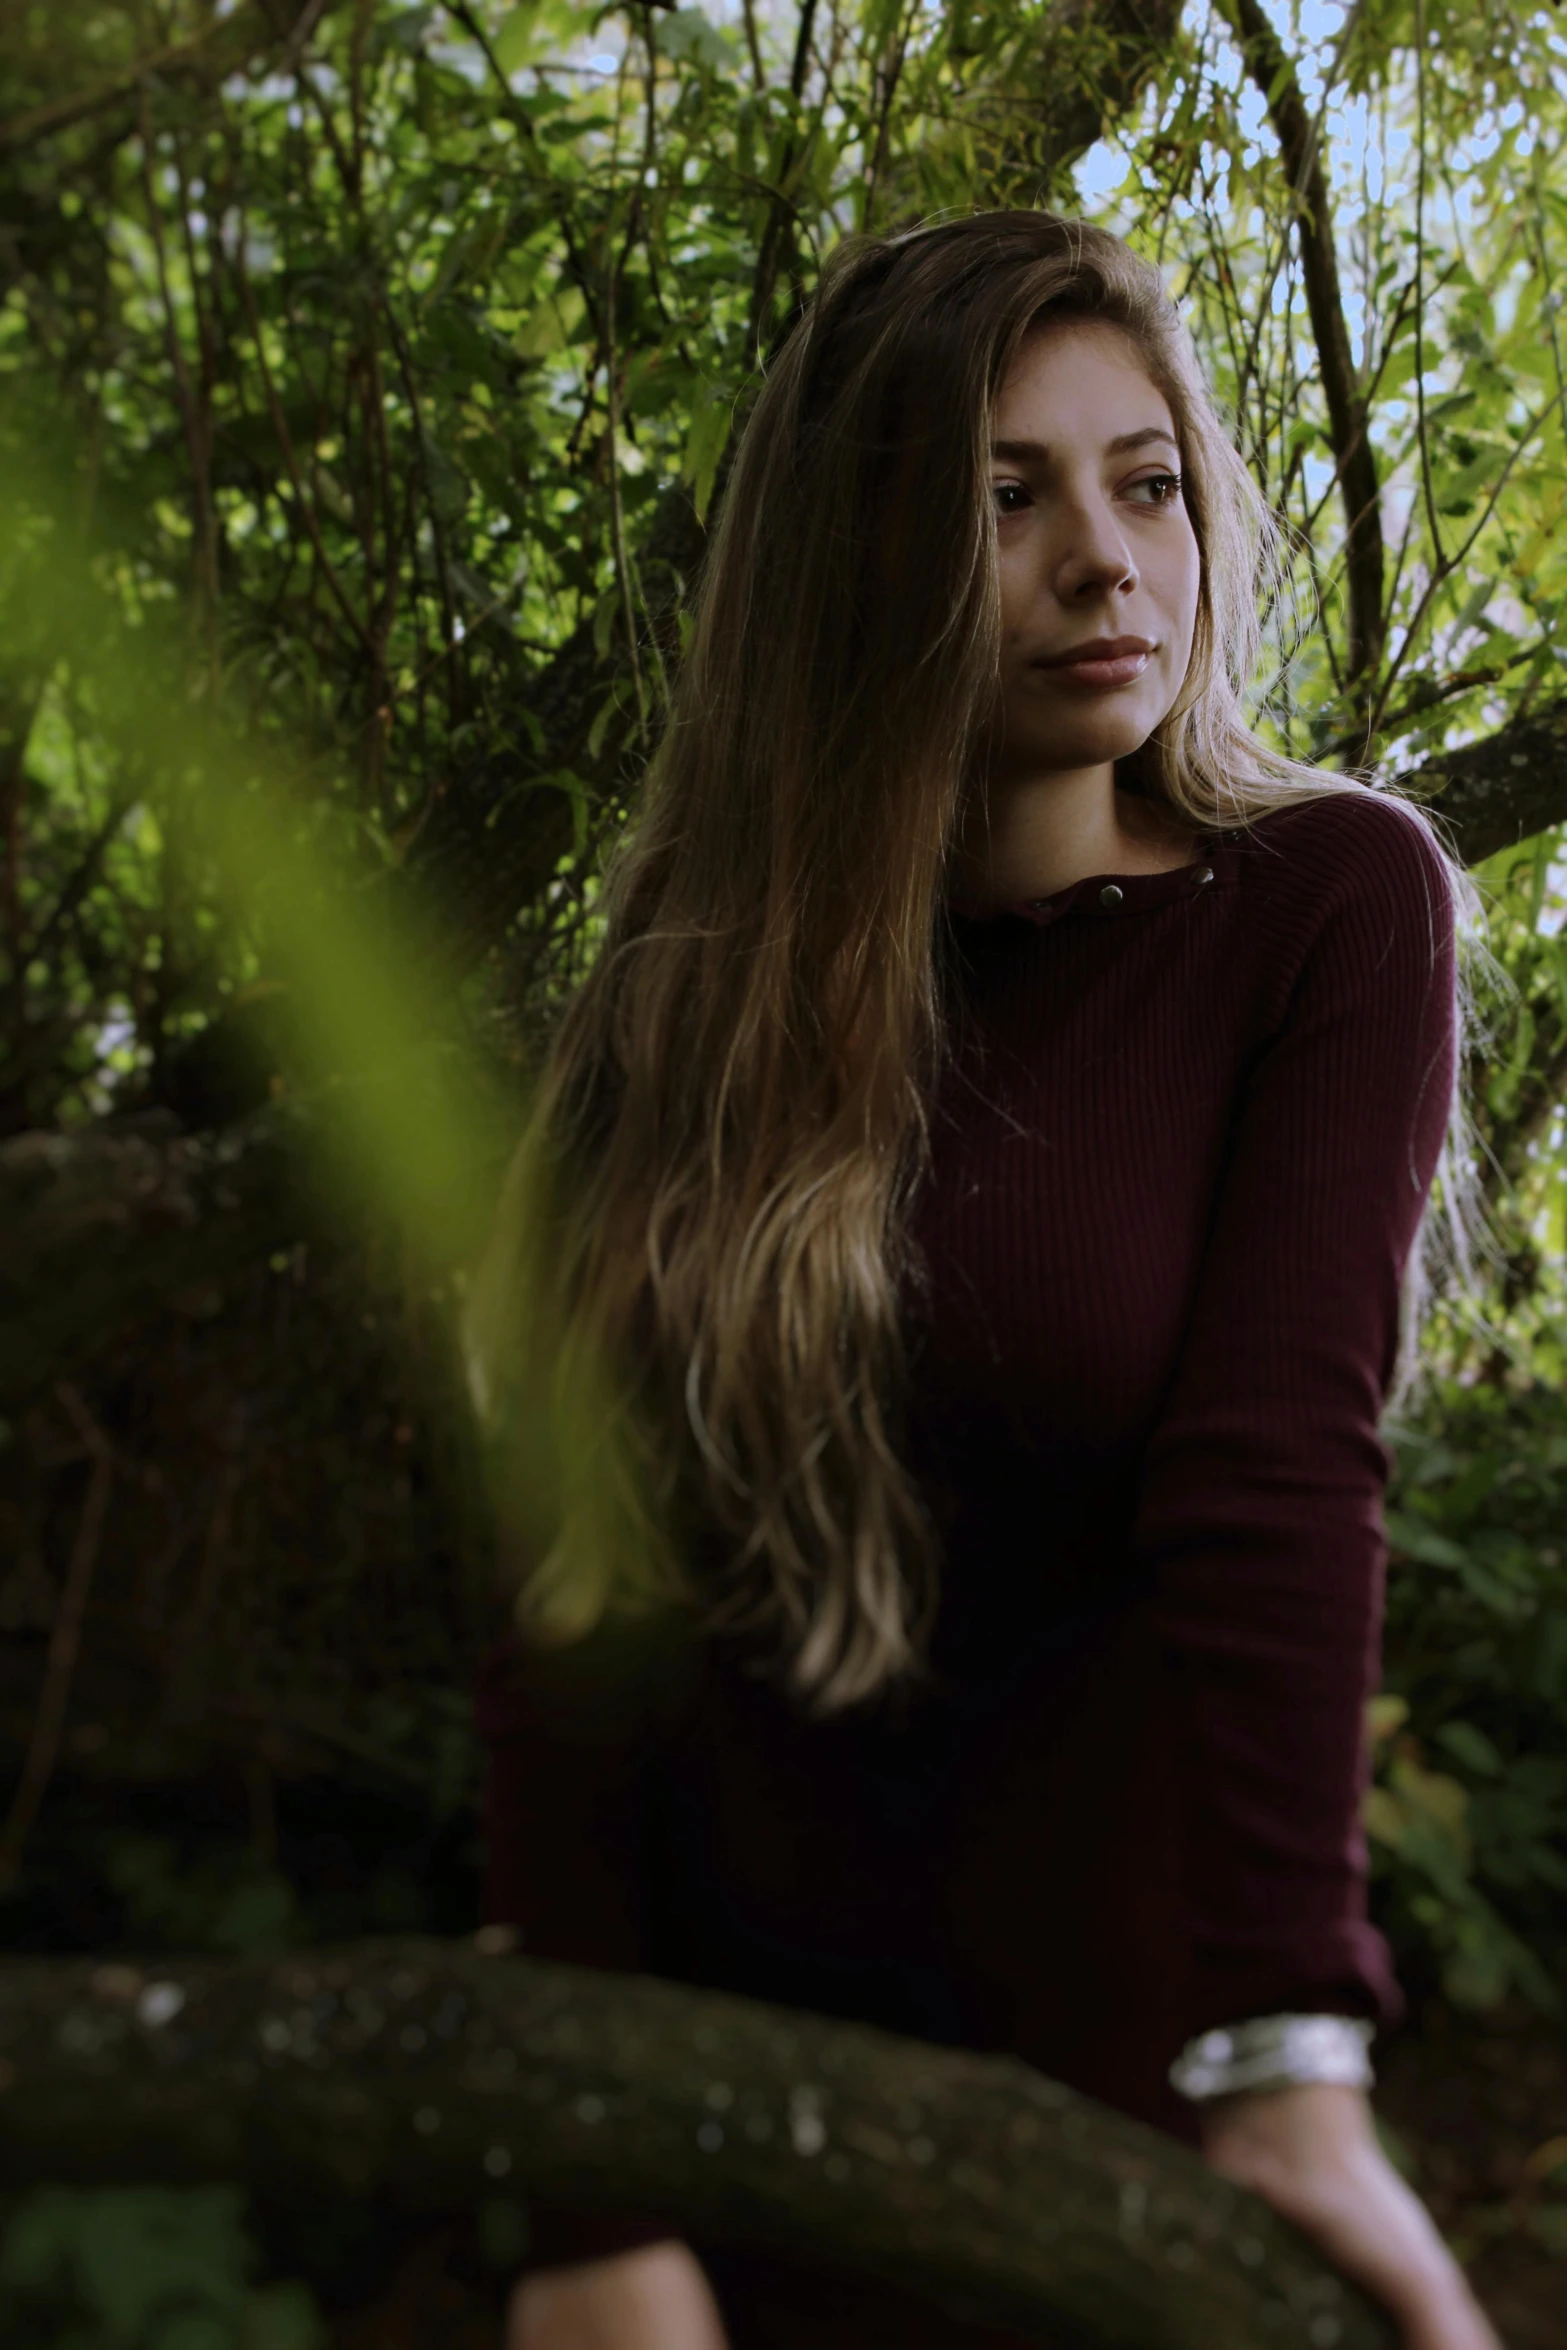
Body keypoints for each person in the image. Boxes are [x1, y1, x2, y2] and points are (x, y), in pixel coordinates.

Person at [465, 211, 1503, 2350]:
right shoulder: (681, 1000)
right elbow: (575, 1579)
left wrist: (1288, 2050)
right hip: (727, 2141)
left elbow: (1277, 1472)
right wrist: (586, 2197)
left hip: (1125, 2146)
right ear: (856, 552)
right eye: (1003, 495)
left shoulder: (1322, 905)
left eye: (1148, 483)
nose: (1105, 561)